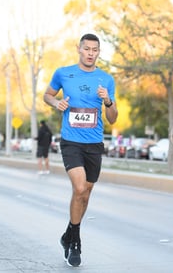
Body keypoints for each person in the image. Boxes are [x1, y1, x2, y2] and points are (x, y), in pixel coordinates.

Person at [43, 33, 118, 267]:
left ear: (98, 52)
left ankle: (68, 234)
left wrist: (107, 101)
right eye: (87, 49)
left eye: (95, 50)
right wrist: (57, 103)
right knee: (78, 187)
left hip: (94, 143)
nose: (90, 53)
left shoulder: (106, 79)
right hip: (71, 141)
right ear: (79, 49)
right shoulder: (63, 73)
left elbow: (113, 119)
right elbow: (47, 95)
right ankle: (75, 242)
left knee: (86, 193)